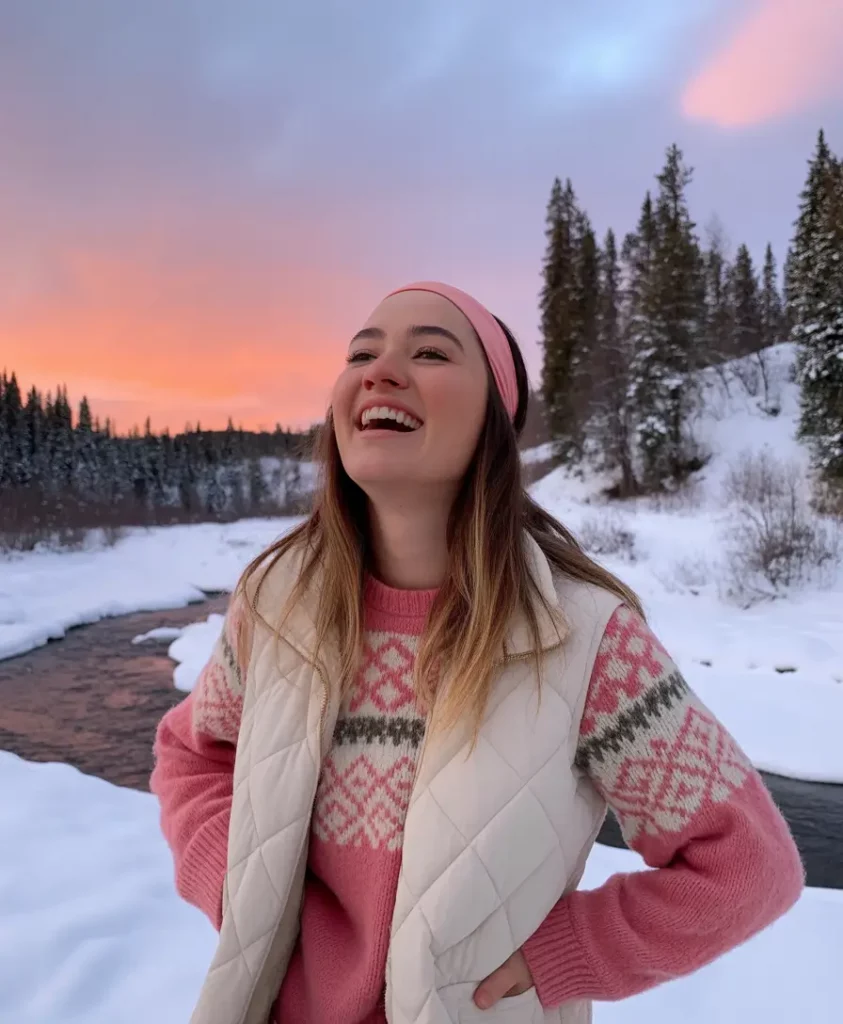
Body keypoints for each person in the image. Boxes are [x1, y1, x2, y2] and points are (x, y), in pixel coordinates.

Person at [151, 282, 804, 1024]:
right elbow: (192, 752)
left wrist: (564, 953)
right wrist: (230, 882)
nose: (380, 369)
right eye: (360, 353)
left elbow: (746, 868)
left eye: (429, 351)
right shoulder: (274, 609)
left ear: (495, 420)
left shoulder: (584, 638)